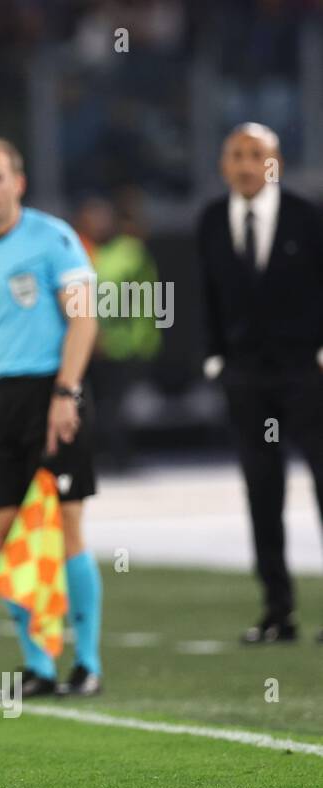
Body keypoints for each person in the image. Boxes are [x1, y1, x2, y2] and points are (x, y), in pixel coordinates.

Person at [0, 138, 103, 697]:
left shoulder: (54, 238)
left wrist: (68, 391)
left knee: (63, 525)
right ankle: (39, 664)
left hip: (52, 391)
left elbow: (83, 321)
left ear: (19, 182)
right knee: (7, 534)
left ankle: (86, 663)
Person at [197, 122, 323, 645]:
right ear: (224, 164)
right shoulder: (209, 220)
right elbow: (205, 293)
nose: (247, 164)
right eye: (237, 155)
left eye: (257, 154)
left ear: (276, 162)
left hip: (304, 372)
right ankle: (278, 611)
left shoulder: (306, 217)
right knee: (261, 490)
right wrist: (215, 358)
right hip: (246, 376)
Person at [74, 196, 162, 472]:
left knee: (114, 403)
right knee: (99, 403)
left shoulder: (127, 251)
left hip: (122, 342)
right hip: (95, 343)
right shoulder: (89, 251)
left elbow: (112, 294)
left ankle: (119, 456)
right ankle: (105, 454)